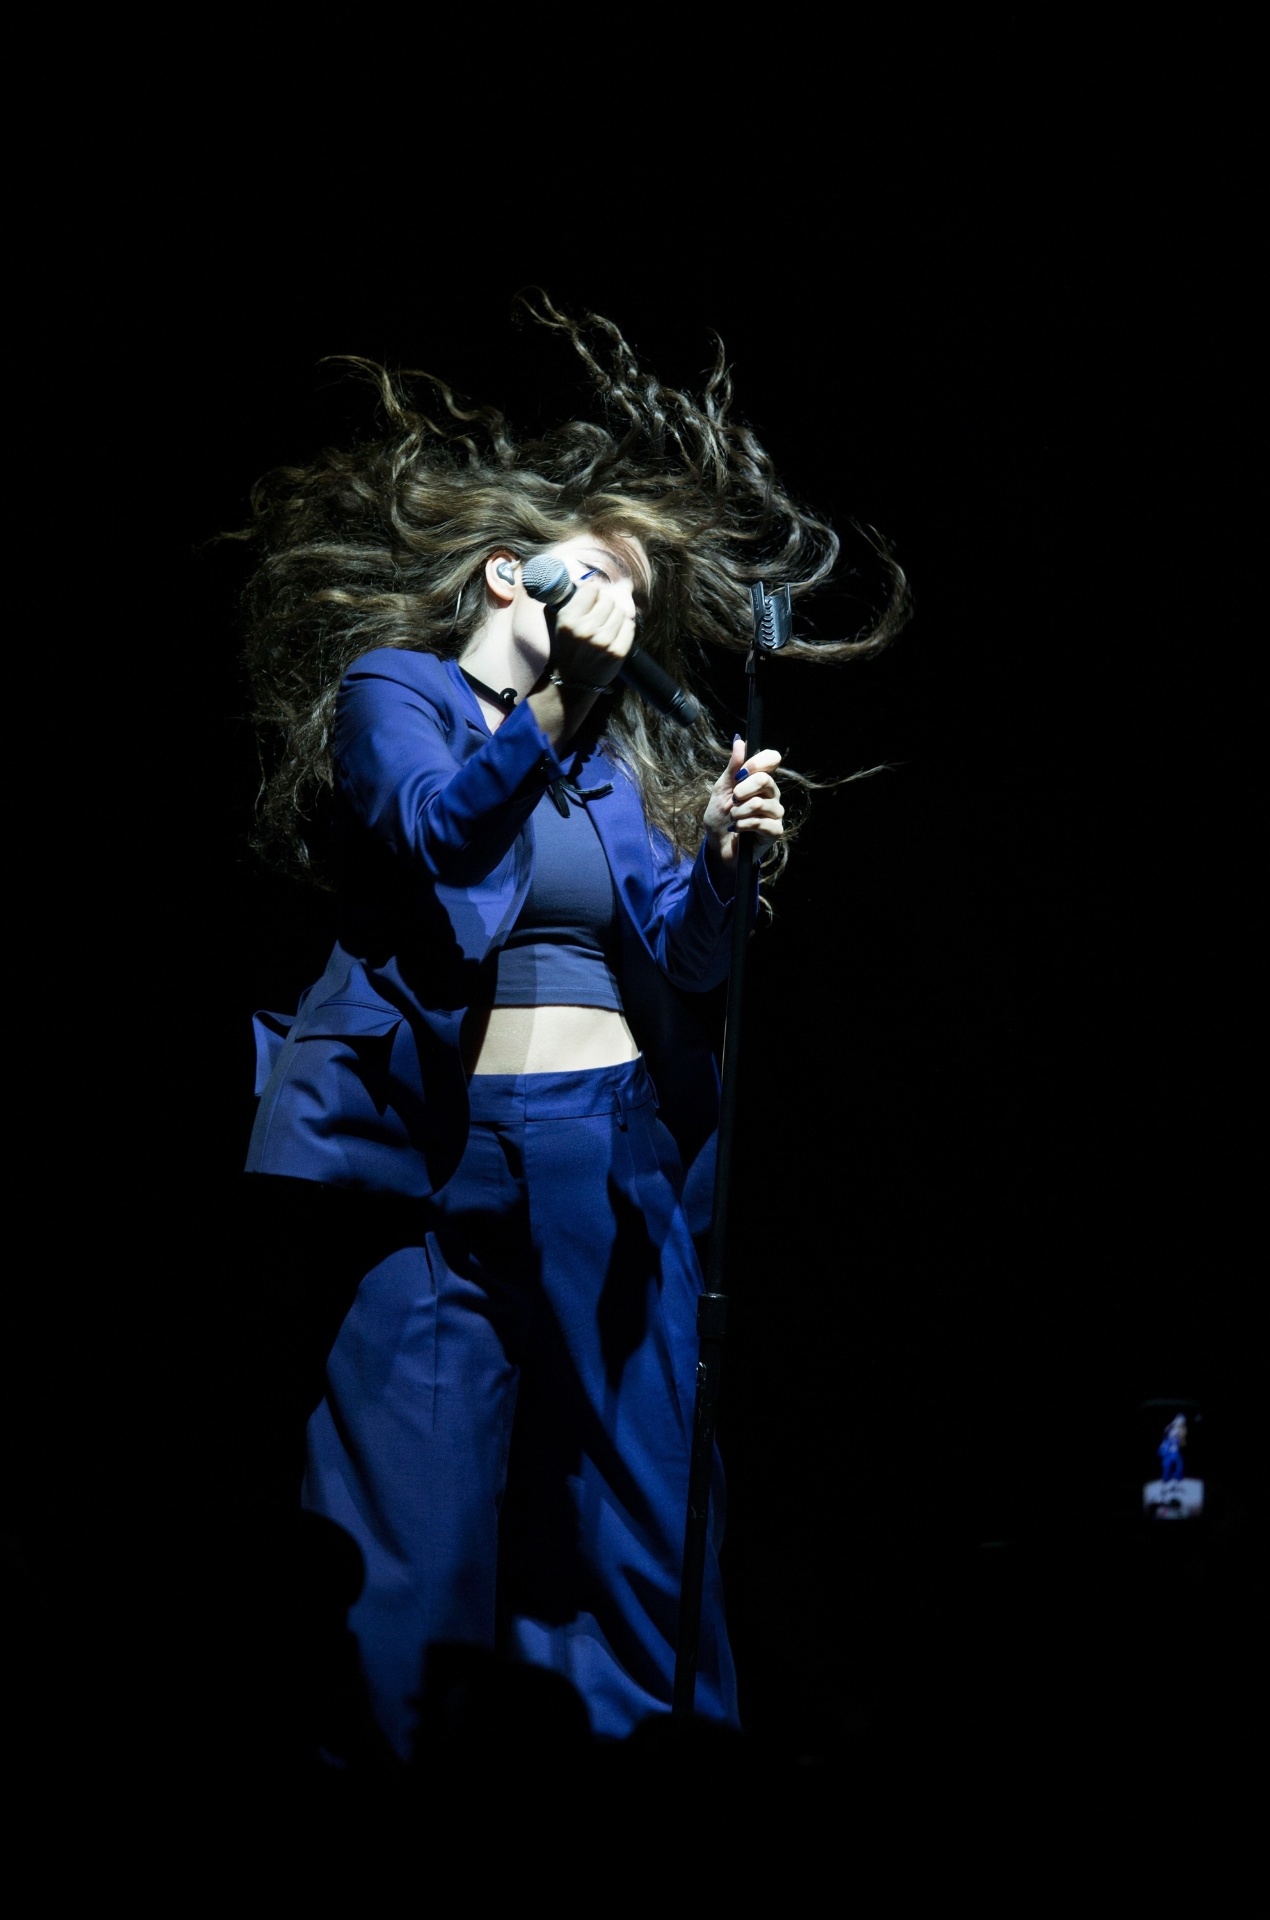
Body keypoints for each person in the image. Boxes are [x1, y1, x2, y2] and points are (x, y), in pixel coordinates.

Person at [238, 297, 907, 1759]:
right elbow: (428, 838)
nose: (624, 611)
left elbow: (684, 951)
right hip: (429, 1157)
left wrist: (727, 861)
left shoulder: (609, 760)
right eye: (602, 577)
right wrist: (550, 715)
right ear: (506, 570)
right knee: (410, 1513)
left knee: (628, 1499)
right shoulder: (400, 694)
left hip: (605, 1152)